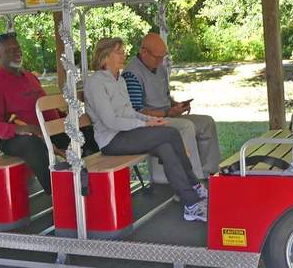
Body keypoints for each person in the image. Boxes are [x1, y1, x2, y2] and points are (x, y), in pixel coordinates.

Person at [83, 37, 208, 222]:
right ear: (105, 57)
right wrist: (145, 125)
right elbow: (110, 122)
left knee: (166, 146)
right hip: (112, 140)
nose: (123, 55)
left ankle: (190, 204)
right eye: (118, 52)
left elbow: (131, 113)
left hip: (130, 134)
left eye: (123, 51)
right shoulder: (95, 83)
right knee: (171, 133)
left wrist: (152, 120)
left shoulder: (119, 79)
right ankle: (194, 186)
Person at [0, 31, 98, 195]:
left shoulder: (30, 77)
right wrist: (22, 129)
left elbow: (46, 108)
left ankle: (95, 181)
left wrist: (66, 119)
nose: (16, 52)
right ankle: (60, 193)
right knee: (33, 145)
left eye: (17, 48)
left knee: (86, 131)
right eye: (9, 50)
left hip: (47, 131)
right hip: (17, 138)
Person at [122, 33, 221, 180]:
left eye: (163, 57)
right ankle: (193, 179)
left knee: (206, 122)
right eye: (157, 57)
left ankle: (210, 173)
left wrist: (177, 106)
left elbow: (164, 97)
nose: (161, 61)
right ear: (144, 52)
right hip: (149, 122)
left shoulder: (159, 66)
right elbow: (137, 111)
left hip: (167, 115)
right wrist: (168, 112)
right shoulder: (132, 74)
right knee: (186, 126)